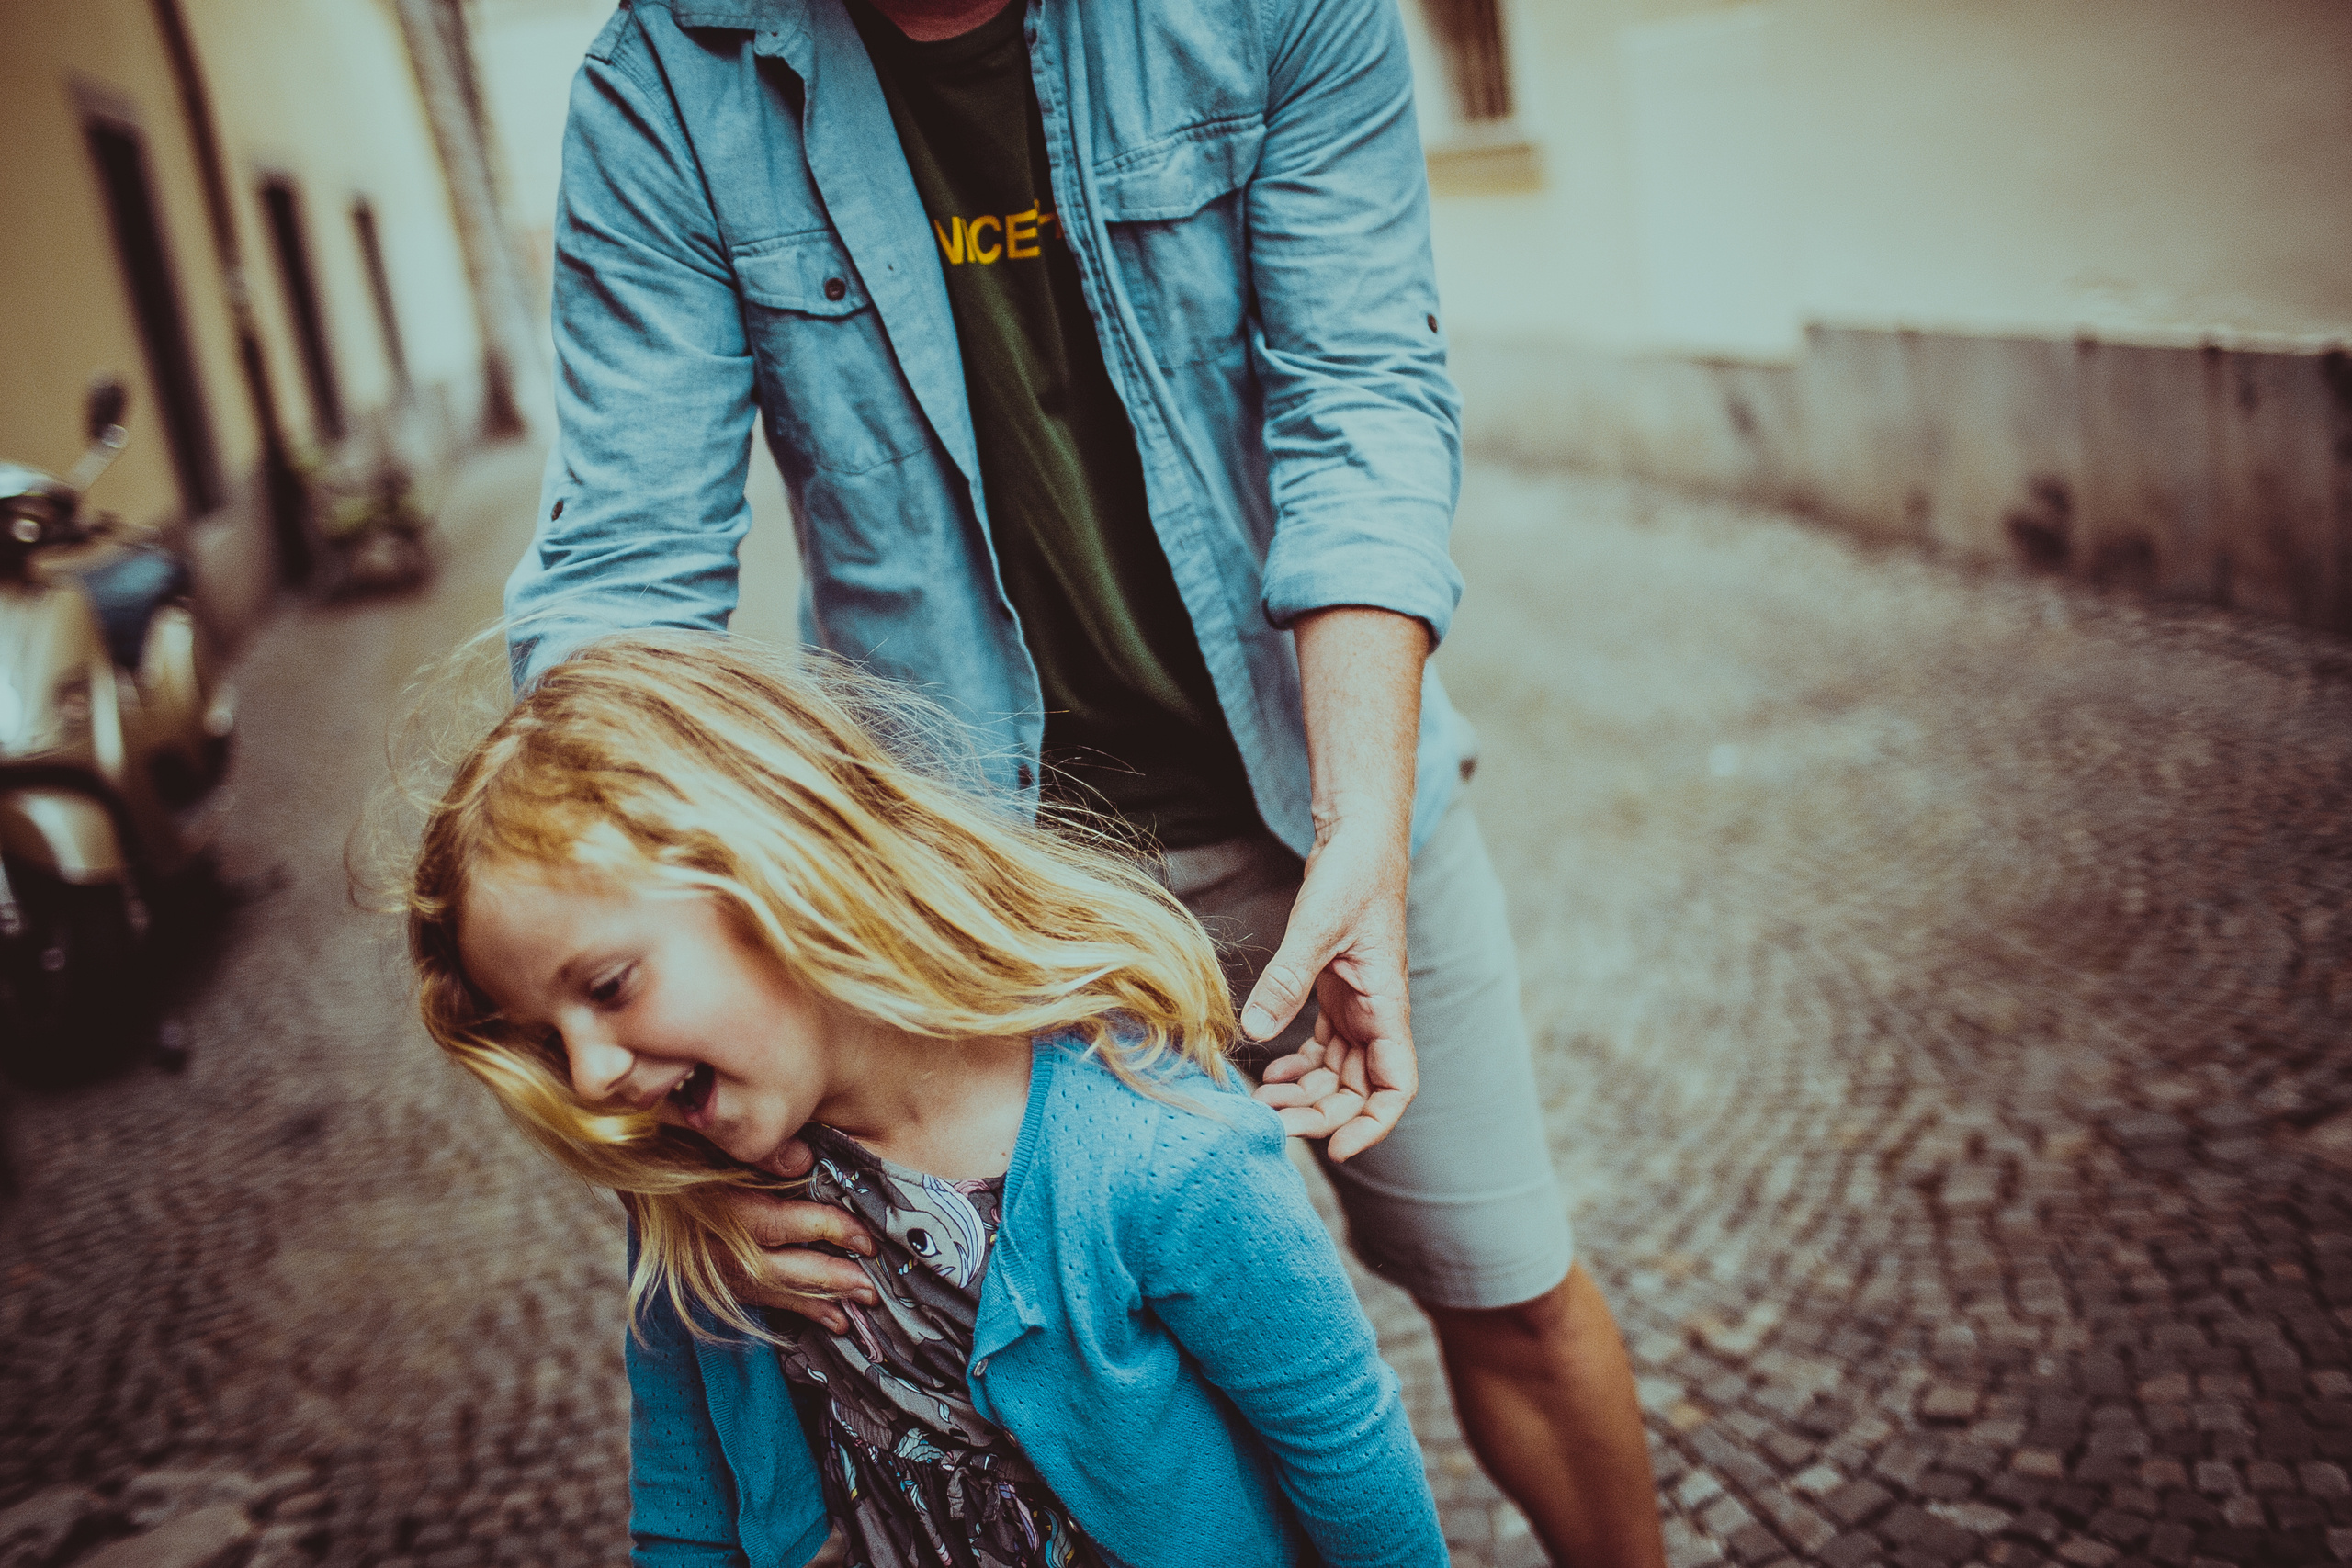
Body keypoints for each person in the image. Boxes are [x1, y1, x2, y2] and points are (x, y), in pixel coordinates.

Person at [508, 0, 1666, 1560]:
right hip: (969, 903)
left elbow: (1361, 395)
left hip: (1320, 799)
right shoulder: (668, 77)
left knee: (1511, 1290)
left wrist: (1365, 828)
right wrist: (662, 1117)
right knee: (1069, 1411)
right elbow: (626, 581)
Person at [408, 630, 1448, 1568]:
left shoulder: (1159, 1145)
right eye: (549, 1041)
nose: (591, 1077)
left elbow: (1340, 1442)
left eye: (605, 989)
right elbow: (684, 1499)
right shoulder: (697, 1188)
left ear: (775, 864)